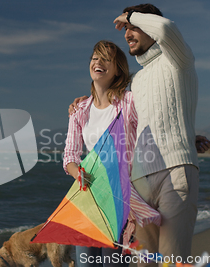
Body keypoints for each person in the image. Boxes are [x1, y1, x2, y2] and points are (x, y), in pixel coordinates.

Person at [69, 4, 210, 267]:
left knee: (172, 260)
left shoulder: (178, 60)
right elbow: (128, 117)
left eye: (134, 27)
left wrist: (132, 16)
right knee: (143, 263)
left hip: (175, 172)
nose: (127, 33)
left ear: (150, 25)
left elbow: (167, 28)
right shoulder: (133, 83)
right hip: (137, 185)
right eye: (126, 28)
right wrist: (83, 103)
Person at [64, 40, 150, 267]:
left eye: (105, 59)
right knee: (85, 265)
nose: (98, 62)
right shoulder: (79, 110)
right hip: (89, 200)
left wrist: (189, 137)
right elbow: (70, 156)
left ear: (117, 69)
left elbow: (155, 122)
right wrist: (77, 173)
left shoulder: (128, 102)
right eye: (94, 58)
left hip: (120, 201)